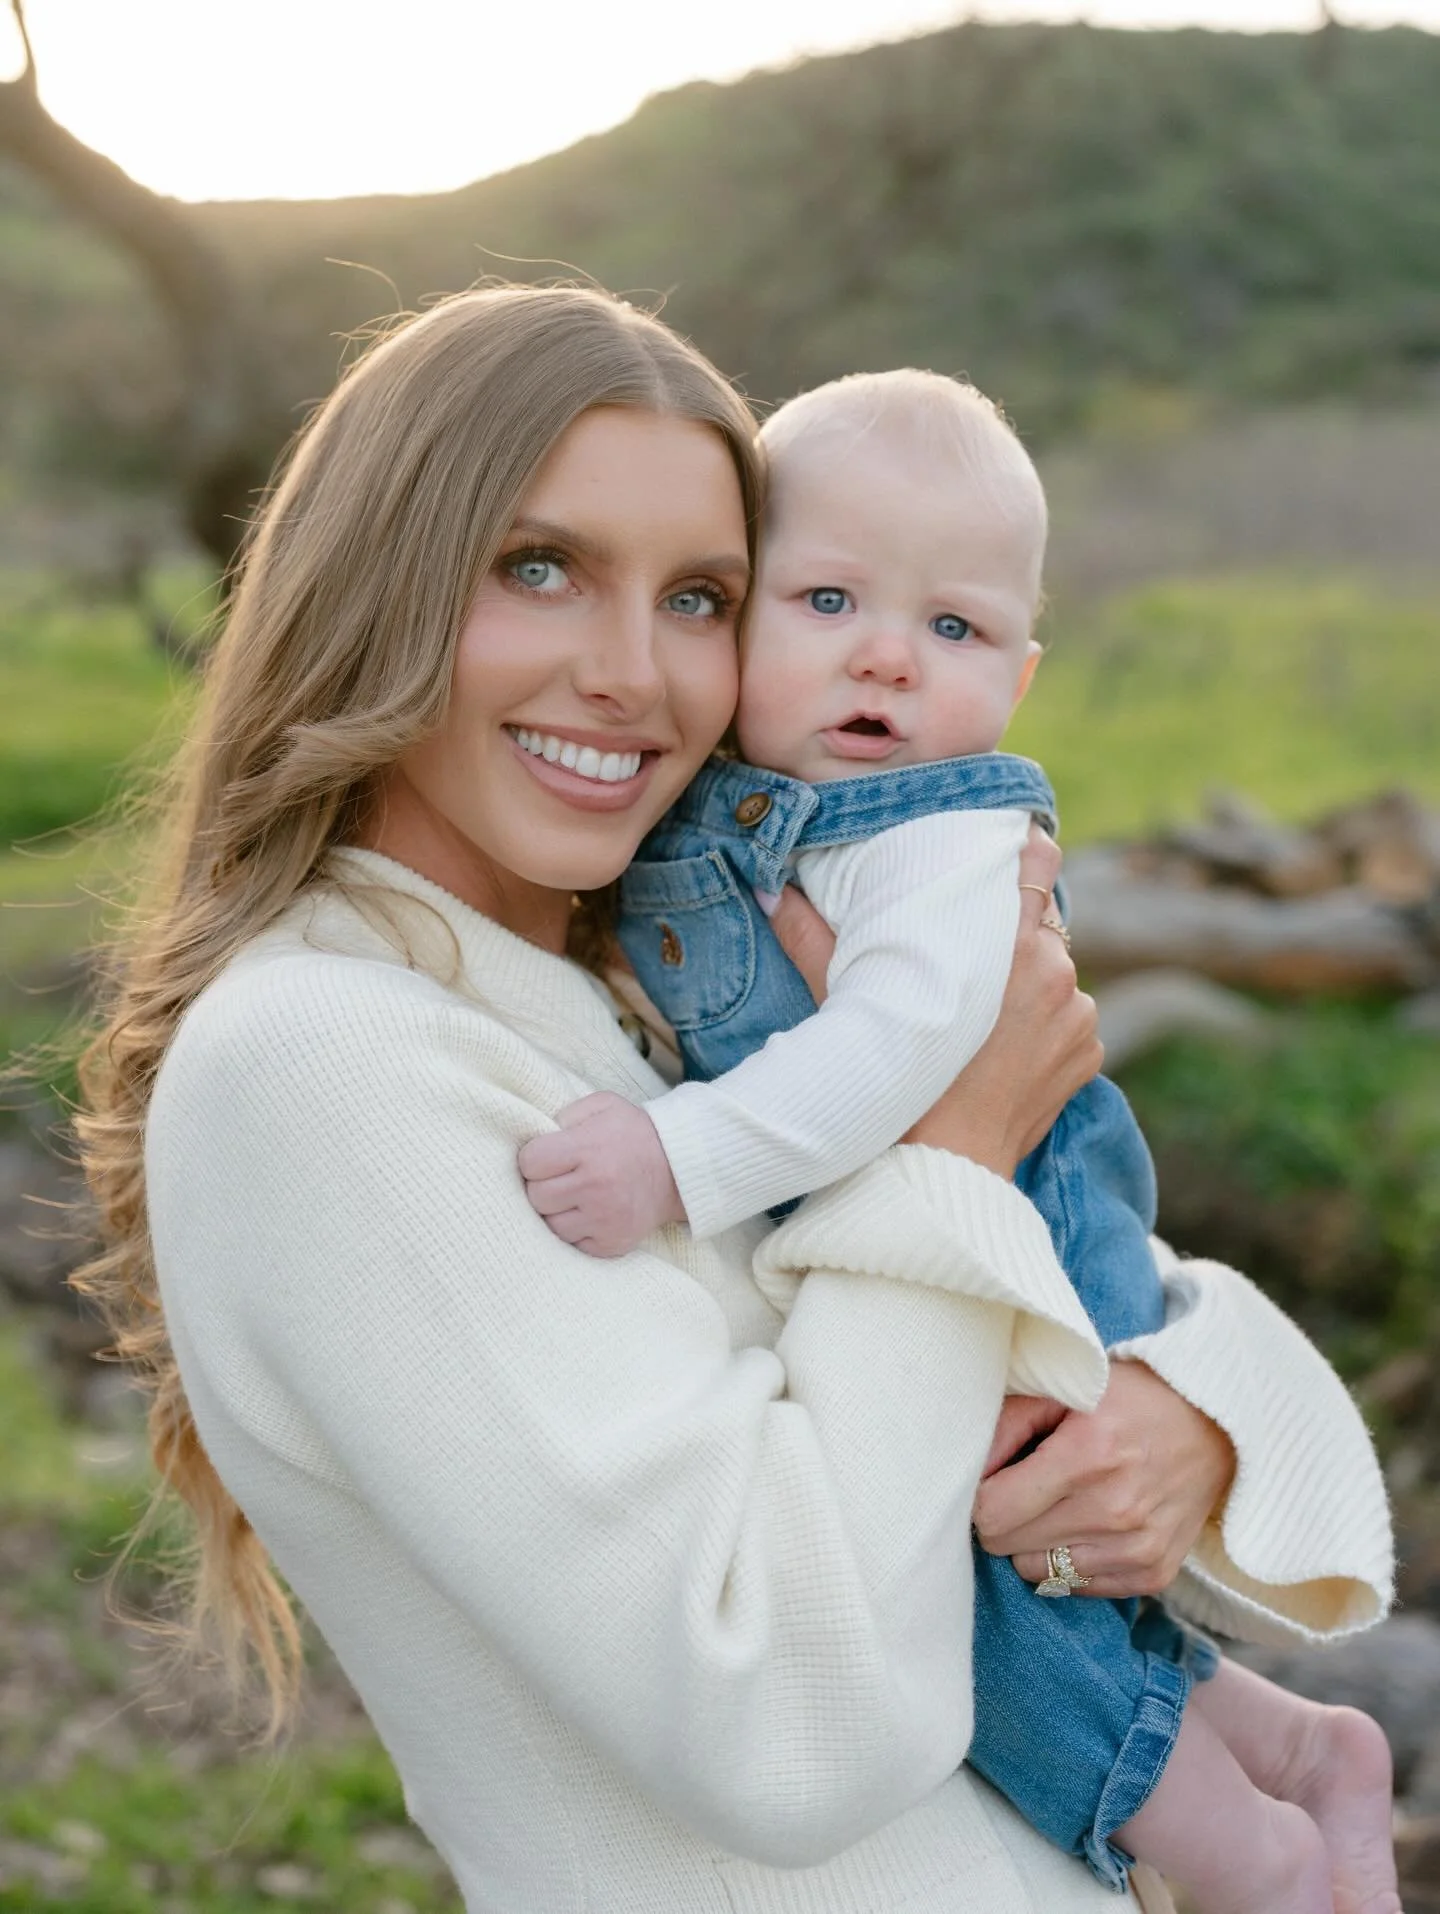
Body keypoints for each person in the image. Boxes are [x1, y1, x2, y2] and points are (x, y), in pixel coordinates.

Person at [76, 286, 1395, 1914]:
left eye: (701, 595)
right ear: (381, 586)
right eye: (537, 566)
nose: (634, 673)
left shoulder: (644, 975)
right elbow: (794, 1718)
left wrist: (1197, 1419)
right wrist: (950, 1137)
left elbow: (1059, 1274)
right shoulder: (325, 1056)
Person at [518, 368, 1399, 1913]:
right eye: (831, 599)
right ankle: (1285, 1745)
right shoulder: (732, 815)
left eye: (954, 629)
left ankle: (1247, 1858)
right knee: (1022, 1566)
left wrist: (677, 1159)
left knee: (994, 1588)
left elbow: (896, 1064)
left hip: (1023, 1252)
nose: (884, 658)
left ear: (1023, 673)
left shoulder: (936, 835)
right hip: (940, 1255)